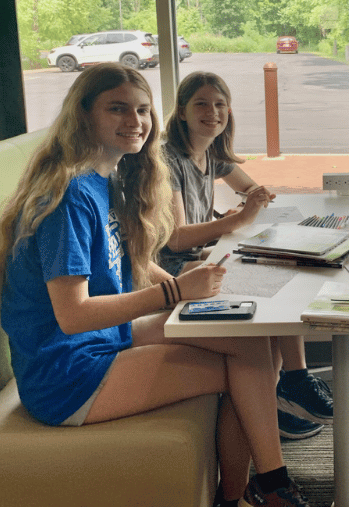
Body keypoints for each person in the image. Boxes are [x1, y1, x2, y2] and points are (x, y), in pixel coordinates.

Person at [0, 64, 310, 507]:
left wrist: (188, 281)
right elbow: (72, 316)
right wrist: (176, 294)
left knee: (253, 342)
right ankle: (266, 488)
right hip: (66, 375)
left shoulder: (104, 181)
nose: (136, 121)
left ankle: (249, 490)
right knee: (248, 372)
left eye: (143, 110)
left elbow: (137, 261)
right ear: (84, 115)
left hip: (102, 340)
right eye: (118, 109)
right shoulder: (68, 197)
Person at [159, 71, 333, 440]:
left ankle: (291, 385)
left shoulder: (210, 152)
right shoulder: (167, 161)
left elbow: (252, 187)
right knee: (274, 282)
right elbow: (175, 239)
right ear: (182, 112)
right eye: (202, 104)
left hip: (198, 255)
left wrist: (253, 198)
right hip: (174, 267)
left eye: (220, 104)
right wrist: (240, 217)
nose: (213, 112)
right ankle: (290, 387)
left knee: (283, 264)